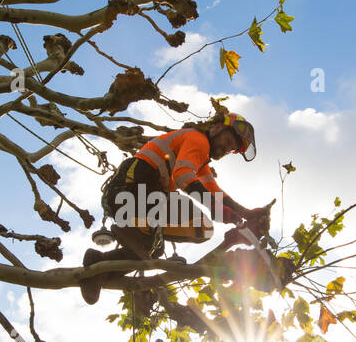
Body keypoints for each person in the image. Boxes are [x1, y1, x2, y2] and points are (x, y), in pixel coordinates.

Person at [81, 112, 268, 304]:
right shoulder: (197, 139)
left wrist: (244, 213)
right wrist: (222, 212)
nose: (225, 149)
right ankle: (130, 231)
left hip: (136, 198)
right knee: (189, 222)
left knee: (154, 250)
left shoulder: (201, 158)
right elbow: (183, 175)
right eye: (227, 141)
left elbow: (214, 191)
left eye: (230, 149)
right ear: (217, 127)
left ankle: (98, 267)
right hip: (133, 186)